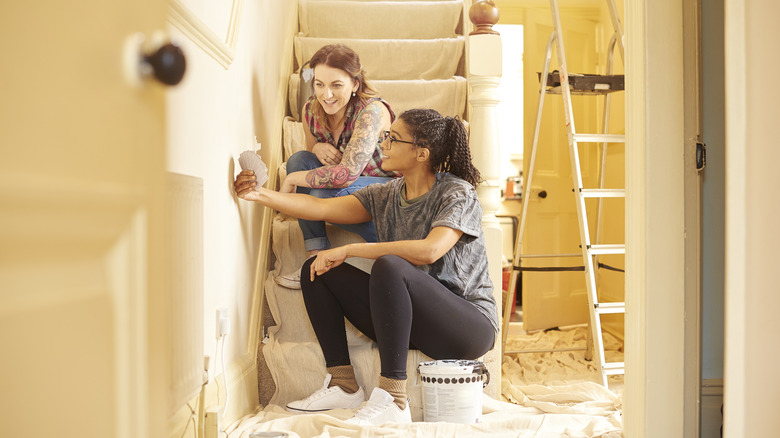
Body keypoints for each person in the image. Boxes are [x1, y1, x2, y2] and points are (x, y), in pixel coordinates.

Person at [234, 109, 498, 425]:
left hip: (467, 329)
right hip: (411, 323)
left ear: (421, 153)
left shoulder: (457, 192)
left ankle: (394, 399)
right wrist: (259, 193)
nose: (382, 142)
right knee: (317, 270)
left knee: (390, 266)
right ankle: (343, 382)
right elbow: (319, 207)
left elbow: (430, 251)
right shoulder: (385, 194)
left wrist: (353, 249)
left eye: (392, 137)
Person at [278, 44, 400, 288]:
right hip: (347, 190)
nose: (327, 95)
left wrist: (291, 181)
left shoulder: (371, 111)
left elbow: (346, 175)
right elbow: (308, 158)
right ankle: (315, 256)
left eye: (336, 85)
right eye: (319, 84)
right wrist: (315, 149)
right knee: (298, 161)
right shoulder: (310, 110)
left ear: (355, 84)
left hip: (384, 188)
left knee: (321, 192)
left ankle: (381, 239)